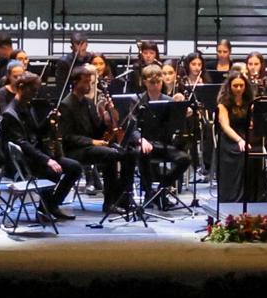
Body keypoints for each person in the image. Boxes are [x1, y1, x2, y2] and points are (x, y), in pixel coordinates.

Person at [0, 71, 79, 221]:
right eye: (33, 90)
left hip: (35, 156)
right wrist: (47, 160)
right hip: (24, 161)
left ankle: (50, 206)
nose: (35, 94)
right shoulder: (10, 113)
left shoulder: (26, 107)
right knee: (52, 170)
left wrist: (48, 120)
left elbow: (36, 132)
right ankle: (45, 209)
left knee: (75, 167)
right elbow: (23, 143)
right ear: (21, 87)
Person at [57, 64, 136, 215]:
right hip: (74, 151)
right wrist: (92, 142)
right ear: (75, 83)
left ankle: (123, 198)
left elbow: (96, 130)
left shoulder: (87, 103)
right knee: (111, 155)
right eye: (86, 82)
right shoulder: (66, 105)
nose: (89, 85)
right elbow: (67, 137)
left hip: (88, 147)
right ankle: (110, 202)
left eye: (91, 82)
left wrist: (107, 115)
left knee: (129, 153)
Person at [129, 65, 191, 205]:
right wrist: (141, 139)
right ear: (144, 82)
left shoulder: (168, 100)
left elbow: (177, 125)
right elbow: (132, 126)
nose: (156, 85)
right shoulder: (137, 100)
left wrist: (183, 114)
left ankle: (160, 190)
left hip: (163, 144)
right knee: (142, 153)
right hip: (145, 143)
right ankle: (148, 192)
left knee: (185, 159)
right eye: (152, 83)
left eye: (158, 82)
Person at [215, 73, 265, 202]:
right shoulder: (223, 104)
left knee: (255, 152)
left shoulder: (250, 102)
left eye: (241, 85)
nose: (238, 89)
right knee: (242, 153)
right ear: (229, 86)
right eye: (235, 86)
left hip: (246, 136)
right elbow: (226, 127)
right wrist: (239, 140)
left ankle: (254, 198)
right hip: (230, 138)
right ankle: (235, 198)